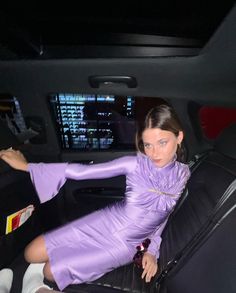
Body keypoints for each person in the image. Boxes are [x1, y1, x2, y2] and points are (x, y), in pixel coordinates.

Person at [0, 104, 190, 293]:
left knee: (50, 271)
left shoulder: (183, 175)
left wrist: (151, 250)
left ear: (179, 137)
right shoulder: (135, 164)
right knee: (29, 253)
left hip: (125, 245)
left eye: (162, 142)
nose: (154, 153)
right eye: (148, 144)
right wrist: (28, 167)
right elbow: (82, 172)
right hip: (105, 221)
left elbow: (163, 216)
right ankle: (34, 281)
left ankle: (36, 284)